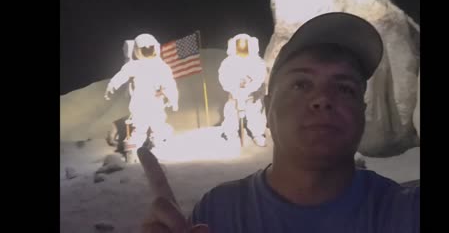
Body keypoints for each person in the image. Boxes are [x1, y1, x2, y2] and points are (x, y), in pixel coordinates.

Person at [139, 12, 420, 233]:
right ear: (267, 108)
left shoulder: (403, 212)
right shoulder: (218, 214)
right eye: (301, 84)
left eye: (345, 88)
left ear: (362, 111)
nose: (322, 99)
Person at [105, 33, 179, 163]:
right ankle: (134, 152)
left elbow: (169, 84)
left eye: (150, 48)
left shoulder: (161, 66)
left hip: (156, 104)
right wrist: (111, 85)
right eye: (145, 49)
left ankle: (158, 150)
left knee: (158, 128)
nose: (148, 51)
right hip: (140, 104)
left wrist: (173, 98)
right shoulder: (135, 66)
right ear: (137, 50)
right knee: (139, 130)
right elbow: (121, 76)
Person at [218, 33, 268, 147]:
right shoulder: (228, 62)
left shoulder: (256, 61)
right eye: (239, 45)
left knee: (254, 114)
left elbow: (260, 76)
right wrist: (234, 88)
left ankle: (257, 134)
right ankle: (231, 135)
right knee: (231, 114)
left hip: (252, 96)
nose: (242, 47)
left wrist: (250, 87)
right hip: (234, 96)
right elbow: (223, 77)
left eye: (244, 45)